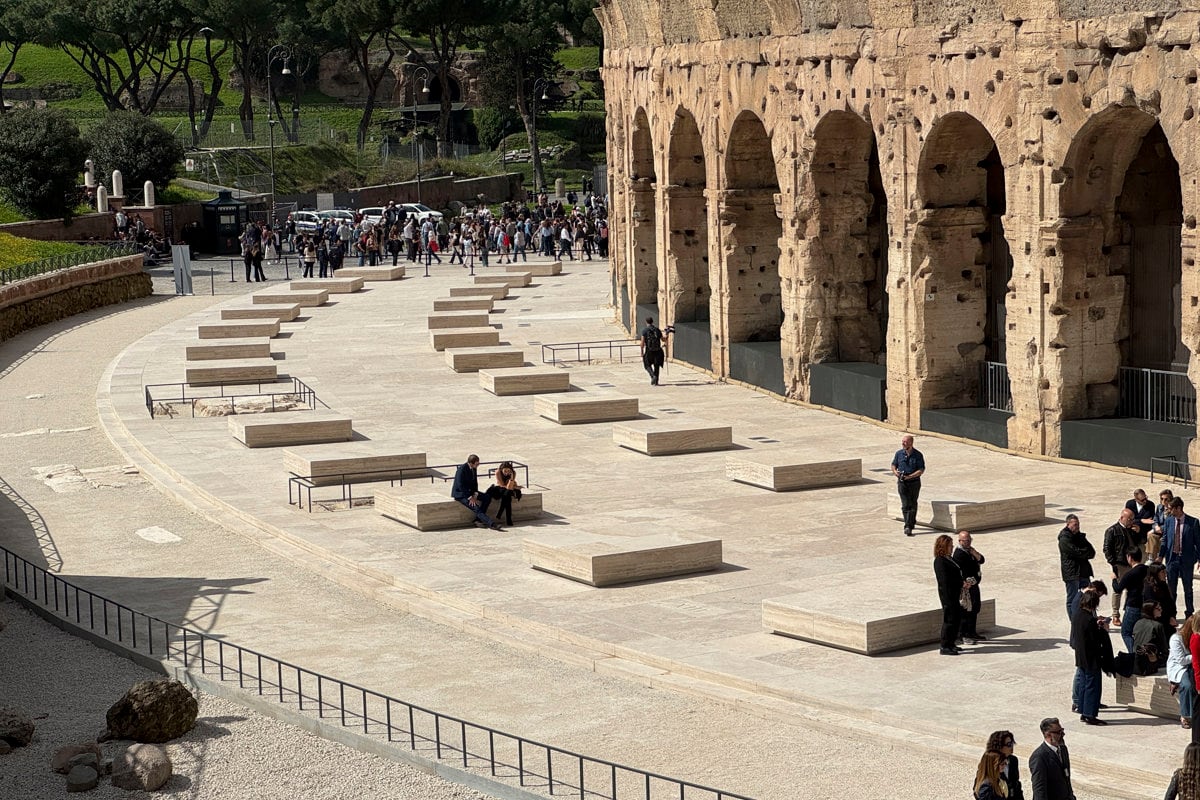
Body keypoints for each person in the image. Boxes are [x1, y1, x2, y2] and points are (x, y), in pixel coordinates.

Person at [1070, 592, 1107, 725]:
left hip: (1081, 656)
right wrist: (1102, 629)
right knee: (1093, 686)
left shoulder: (1077, 615)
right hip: (1091, 657)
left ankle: (1083, 711)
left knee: (1084, 685)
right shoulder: (1089, 620)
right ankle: (1090, 714)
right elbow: (1095, 640)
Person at [1103, 508, 1142, 624]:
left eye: (1132, 519)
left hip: (1133, 563)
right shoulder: (1112, 530)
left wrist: (1138, 532)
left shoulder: (1132, 529)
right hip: (1120, 564)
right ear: (1122, 518)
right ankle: (1115, 614)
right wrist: (1113, 563)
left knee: (1131, 589)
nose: (1131, 522)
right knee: (1118, 589)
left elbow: (1141, 542)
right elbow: (1107, 549)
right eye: (1129, 519)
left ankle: (1129, 612)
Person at [1163, 497, 1200, 618]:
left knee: (1188, 589)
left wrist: (1199, 559)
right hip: (1172, 559)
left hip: (1186, 560)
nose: (1169, 511)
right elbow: (1165, 540)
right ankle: (1171, 613)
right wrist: (1160, 556)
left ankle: (1189, 613)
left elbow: (1198, 542)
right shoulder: (1169, 521)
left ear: (1178, 508)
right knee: (1171, 589)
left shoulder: (1193, 522)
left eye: (1171, 509)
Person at [450, 455, 502, 531]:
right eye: (477, 464)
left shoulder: (473, 468)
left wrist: (475, 494)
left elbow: (474, 482)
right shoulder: (461, 470)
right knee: (476, 507)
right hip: (461, 494)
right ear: (471, 463)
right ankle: (492, 524)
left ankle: (477, 520)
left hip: (471, 492)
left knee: (487, 498)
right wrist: (470, 497)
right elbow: (460, 485)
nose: (478, 465)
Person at [933, 534, 965, 656]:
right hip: (948, 596)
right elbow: (945, 580)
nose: (952, 548)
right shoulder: (940, 561)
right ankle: (945, 645)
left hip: (955, 593)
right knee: (950, 620)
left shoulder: (949, 559)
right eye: (950, 546)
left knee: (956, 619)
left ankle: (951, 643)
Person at [1058, 514, 1095, 622]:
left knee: (1089, 595)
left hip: (1083, 571)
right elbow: (1075, 552)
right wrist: (1083, 552)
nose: (1077, 527)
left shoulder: (1079, 536)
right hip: (1072, 573)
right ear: (1068, 524)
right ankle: (1074, 621)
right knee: (1072, 599)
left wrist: (1082, 552)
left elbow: (1091, 552)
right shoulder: (1064, 539)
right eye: (1075, 524)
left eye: (1078, 524)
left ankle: (1091, 618)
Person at [1029, 718, 1075, 799]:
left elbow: (1066, 778)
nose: (1063, 734)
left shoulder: (1063, 749)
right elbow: (1039, 789)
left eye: (1062, 730)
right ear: (1049, 735)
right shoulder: (1039, 757)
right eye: (1059, 732)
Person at [954, 530, 986, 644]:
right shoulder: (959, 554)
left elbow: (981, 560)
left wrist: (974, 552)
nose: (968, 543)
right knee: (966, 610)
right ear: (960, 541)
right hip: (966, 588)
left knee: (975, 608)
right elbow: (963, 571)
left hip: (974, 585)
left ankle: (972, 632)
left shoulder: (970, 551)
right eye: (965, 541)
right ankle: (963, 634)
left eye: (969, 540)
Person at [1114, 549, 1149, 652]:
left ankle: (1134, 654)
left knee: (1126, 632)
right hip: (1146, 605)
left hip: (1133, 606)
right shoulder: (1148, 570)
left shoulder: (1130, 574)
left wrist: (1114, 579)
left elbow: (1118, 589)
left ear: (1129, 557)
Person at [891, 434, 925, 537]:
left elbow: (921, 470)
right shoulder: (899, 454)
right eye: (902, 441)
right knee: (905, 504)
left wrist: (910, 476)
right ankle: (908, 525)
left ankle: (909, 524)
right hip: (902, 482)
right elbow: (893, 465)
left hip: (913, 482)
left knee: (912, 503)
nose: (903, 443)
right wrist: (895, 472)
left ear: (911, 443)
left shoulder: (918, 455)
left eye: (905, 442)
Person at [1169, 615, 1198, 729]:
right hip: (1180, 666)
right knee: (1187, 685)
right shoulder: (1176, 639)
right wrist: (1196, 655)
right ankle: (1185, 715)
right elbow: (1181, 660)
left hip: (1193, 664)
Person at [1132, 600, 1169, 675]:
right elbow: (1164, 648)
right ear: (1151, 611)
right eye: (1158, 609)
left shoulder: (1138, 622)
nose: (1161, 610)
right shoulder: (1157, 625)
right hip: (1150, 662)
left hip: (1137, 660)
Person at [985, 730, 1025, 799]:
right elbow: (979, 789)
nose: (1012, 747)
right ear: (999, 746)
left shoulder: (1013, 760)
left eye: (1012, 743)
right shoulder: (990, 762)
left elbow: (1016, 785)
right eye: (1009, 744)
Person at [484, 460, 522, 527]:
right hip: (498, 489)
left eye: (508, 471)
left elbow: (509, 486)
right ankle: (508, 519)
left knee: (507, 495)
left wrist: (512, 478)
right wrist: (514, 487)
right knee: (507, 495)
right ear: (502, 470)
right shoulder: (498, 472)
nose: (507, 473)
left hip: (507, 490)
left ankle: (500, 513)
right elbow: (501, 485)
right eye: (505, 471)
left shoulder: (513, 473)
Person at [1127, 489, 1157, 563]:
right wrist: (1141, 520)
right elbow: (1128, 518)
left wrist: (1139, 524)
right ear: (1136, 499)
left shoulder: (1150, 505)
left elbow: (1149, 521)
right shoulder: (1130, 504)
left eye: (1146, 498)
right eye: (1142, 500)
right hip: (1132, 529)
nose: (1145, 501)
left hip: (1143, 532)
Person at [639, 316, 667, 386]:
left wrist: (642, 352)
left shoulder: (644, 331)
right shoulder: (657, 330)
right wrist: (667, 335)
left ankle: (653, 376)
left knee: (647, 365)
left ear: (646, 322)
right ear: (652, 322)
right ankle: (656, 381)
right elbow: (663, 339)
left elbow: (642, 343)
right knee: (656, 365)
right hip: (658, 350)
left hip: (649, 351)